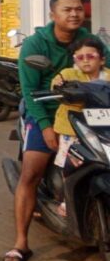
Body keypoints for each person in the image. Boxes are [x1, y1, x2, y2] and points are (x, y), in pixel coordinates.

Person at [4, 0, 90, 261]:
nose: (74, 14)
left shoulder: (89, 40)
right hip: (46, 114)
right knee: (31, 173)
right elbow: (30, 92)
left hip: (84, 114)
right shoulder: (35, 45)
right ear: (53, 14)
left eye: (78, 9)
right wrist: (45, 127)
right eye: (67, 9)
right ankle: (20, 243)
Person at [50, 37, 110, 216]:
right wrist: (59, 87)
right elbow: (55, 85)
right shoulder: (68, 74)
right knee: (70, 164)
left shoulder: (108, 75)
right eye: (80, 57)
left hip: (103, 129)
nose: (85, 60)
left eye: (90, 56)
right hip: (72, 129)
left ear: (102, 59)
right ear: (74, 59)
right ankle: (66, 198)